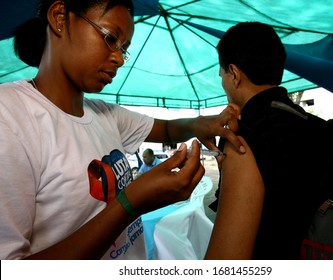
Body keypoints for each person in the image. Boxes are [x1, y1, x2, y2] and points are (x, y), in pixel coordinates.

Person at [0, 0, 245, 260]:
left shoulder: (105, 114)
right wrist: (129, 204)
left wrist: (200, 124)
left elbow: (166, 129)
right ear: (60, 17)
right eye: (110, 38)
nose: (118, 59)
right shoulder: (11, 118)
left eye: (123, 49)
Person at [205, 22, 326, 259]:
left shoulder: (244, 136)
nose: (223, 83)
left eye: (222, 75)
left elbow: (226, 262)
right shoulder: (313, 124)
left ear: (234, 74)